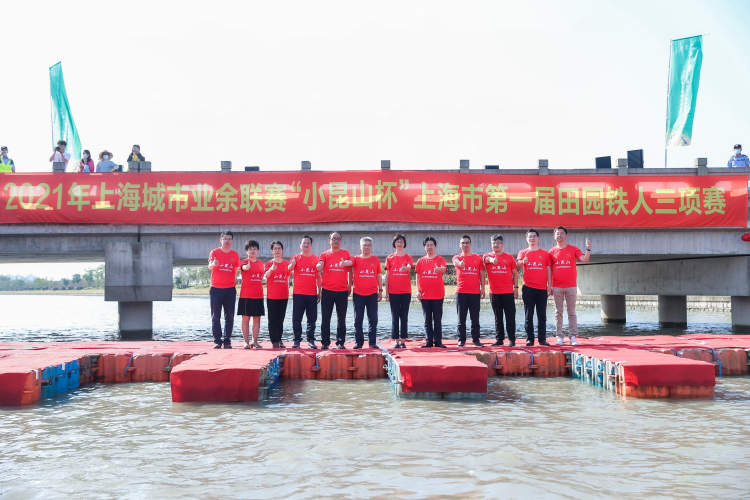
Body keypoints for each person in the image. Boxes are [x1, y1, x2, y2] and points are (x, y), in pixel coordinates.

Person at [549, 226, 591, 345]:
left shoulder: (573, 249)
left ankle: (573, 336)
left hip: (571, 286)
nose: (559, 235)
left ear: (566, 235)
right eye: (557, 233)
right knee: (558, 312)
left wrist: (588, 249)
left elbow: (584, 259)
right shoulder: (551, 252)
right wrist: (549, 286)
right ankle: (559, 336)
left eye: (562, 233)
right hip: (556, 286)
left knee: (571, 312)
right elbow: (549, 270)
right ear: (554, 236)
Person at [317, 232, 353, 349]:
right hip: (327, 290)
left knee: (341, 318)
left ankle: (340, 342)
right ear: (329, 240)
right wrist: (319, 265)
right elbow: (320, 265)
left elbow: (350, 270)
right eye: (333, 239)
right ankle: (325, 342)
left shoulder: (345, 253)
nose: (336, 241)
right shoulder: (324, 254)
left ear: (340, 241)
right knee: (325, 318)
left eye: (338, 239)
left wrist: (349, 285)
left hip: (342, 290)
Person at [517, 229, 552, 346]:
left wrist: (549, 285)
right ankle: (530, 339)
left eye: (534, 236)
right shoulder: (523, 252)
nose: (532, 238)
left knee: (542, 315)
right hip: (528, 288)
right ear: (527, 239)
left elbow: (548, 269)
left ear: (538, 238)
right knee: (529, 314)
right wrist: (523, 261)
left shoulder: (545, 253)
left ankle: (542, 339)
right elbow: (517, 264)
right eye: (530, 236)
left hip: (542, 289)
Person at [484, 234, 518, 347]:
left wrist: (516, 288)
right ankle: (499, 339)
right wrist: (492, 259)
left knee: (510, 317)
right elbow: (486, 259)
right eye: (494, 243)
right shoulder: (487, 256)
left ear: (502, 244)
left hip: (508, 292)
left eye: (498, 243)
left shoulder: (509, 257)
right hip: (494, 293)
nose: (496, 245)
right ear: (491, 244)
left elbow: (515, 273)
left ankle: (512, 339)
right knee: (498, 317)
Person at [208, 231, 241, 349]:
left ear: (232, 241)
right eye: (225, 239)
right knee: (215, 316)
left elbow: (236, 269)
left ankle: (227, 341)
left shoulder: (235, 254)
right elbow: (210, 266)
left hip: (230, 290)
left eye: (229, 239)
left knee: (229, 316)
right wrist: (214, 264)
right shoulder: (214, 252)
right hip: (216, 289)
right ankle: (217, 341)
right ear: (221, 240)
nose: (227, 241)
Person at [452, 234, 485, 347]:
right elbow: (456, 262)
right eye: (463, 243)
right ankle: (461, 340)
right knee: (461, 318)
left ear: (470, 244)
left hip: (475, 292)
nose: (465, 245)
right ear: (460, 245)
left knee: (475, 318)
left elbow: (482, 273)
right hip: (461, 292)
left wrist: (483, 288)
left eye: (467, 243)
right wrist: (460, 264)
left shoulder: (477, 258)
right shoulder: (456, 257)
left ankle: (476, 339)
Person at [289, 235, 321, 349]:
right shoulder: (296, 257)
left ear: (311, 246)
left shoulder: (315, 259)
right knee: (297, 318)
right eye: (304, 243)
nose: (306, 245)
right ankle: (297, 340)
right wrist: (292, 264)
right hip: (298, 293)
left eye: (308, 243)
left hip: (312, 293)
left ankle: (311, 340)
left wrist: (319, 291)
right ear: (300, 245)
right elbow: (289, 269)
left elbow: (318, 277)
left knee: (312, 319)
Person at [351, 237, 383, 349]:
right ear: (360, 247)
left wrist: (380, 290)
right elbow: (348, 268)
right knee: (358, 319)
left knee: (373, 319)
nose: (366, 247)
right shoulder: (355, 259)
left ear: (371, 247)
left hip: (372, 294)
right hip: (358, 294)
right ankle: (359, 343)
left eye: (369, 245)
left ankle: (372, 343)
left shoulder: (375, 260)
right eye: (364, 245)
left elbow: (379, 276)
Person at [416, 237, 447, 348]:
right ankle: (428, 341)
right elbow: (417, 276)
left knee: (437, 319)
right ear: (425, 247)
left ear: (435, 246)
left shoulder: (440, 259)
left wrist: (440, 269)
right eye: (427, 245)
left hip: (438, 295)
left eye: (431, 245)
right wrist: (418, 291)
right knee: (427, 320)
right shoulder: (420, 261)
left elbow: (443, 268)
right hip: (424, 295)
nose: (429, 247)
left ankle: (438, 342)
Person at [384, 233, 413, 349]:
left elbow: (409, 266)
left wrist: (407, 268)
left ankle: (403, 340)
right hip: (393, 292)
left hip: (406, 292)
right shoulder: (390, 258)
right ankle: (396, 340)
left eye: (401, 241)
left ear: (404, 244)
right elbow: (387, 276)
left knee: (404, 316)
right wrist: (386, 292)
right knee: (395, 316)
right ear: (394, 244)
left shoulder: (408, 257)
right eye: (397, 241)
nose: (399, 243)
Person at [238, 240, 265, 349]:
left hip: (258, 295)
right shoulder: (244, 262)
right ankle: (246, 342)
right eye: (250, 249)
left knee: (257, 319)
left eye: (254, 249)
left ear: (257, 251)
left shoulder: (260, 264)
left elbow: (262, 277)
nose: (252, 251)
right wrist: (246, 267)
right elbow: (244, 268)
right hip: (246, 295)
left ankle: (255, 341)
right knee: (245, 319)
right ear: (247, 251)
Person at [264, 241, 290, 349]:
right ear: (272, 251)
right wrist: (271, 269)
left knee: (281, 319)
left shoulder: (286, 264)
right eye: (275, 248)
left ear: (282, 250)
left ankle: (279, 339)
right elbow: (266, 276)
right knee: (272, 319)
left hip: (284, 295)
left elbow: (288, 277)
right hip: (272, 296)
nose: (277, 250)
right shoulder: (269, 263)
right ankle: (274, 341)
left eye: (279, 248)